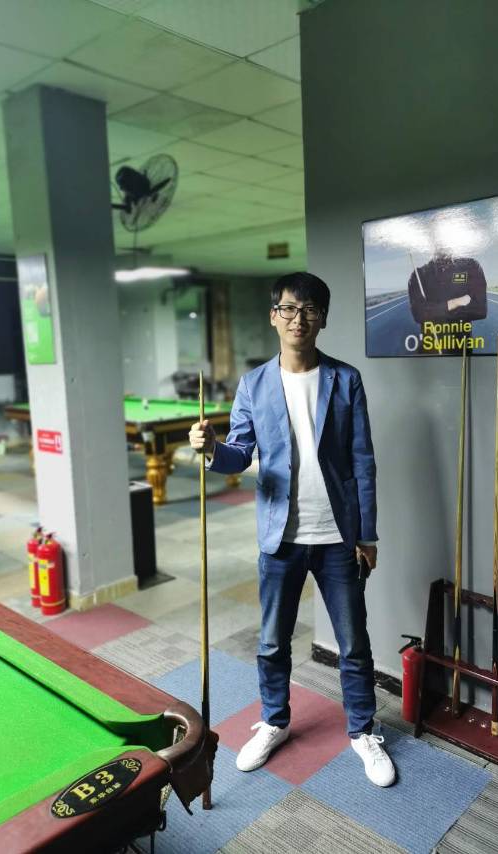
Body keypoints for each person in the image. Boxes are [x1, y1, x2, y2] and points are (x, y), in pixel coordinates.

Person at [189, 272, 395, 787]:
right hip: (280, 536)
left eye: (309, 310)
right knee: (271, 641)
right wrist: (211, 449)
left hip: (338, 536)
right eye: (288, 309)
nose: (297, 319)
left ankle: (363, 731)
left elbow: (363, 461)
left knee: (353, 644)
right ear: (273, 316)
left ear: (322, 319)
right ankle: (275, 721)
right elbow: (239, 454)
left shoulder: (345, 380)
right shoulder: (253, 384)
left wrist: (367, 534)